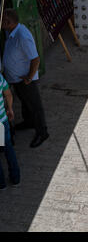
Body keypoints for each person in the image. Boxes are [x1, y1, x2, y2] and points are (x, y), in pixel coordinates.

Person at [2, 9, 49, 148]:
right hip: (16, 78)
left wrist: (29, 77)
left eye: (2, 21)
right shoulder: (9, 31)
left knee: (35, 106)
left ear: (8, 22)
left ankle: (42, 132)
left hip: (25, 79)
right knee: (25, 101)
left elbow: (35, 59)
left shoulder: (22, 36)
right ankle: (29, 122)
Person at [0, 73, 20, 189]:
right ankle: (16, 178)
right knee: (8, 149)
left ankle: (1, 184)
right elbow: (8, 94)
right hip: (2, 120)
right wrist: (10, 109)